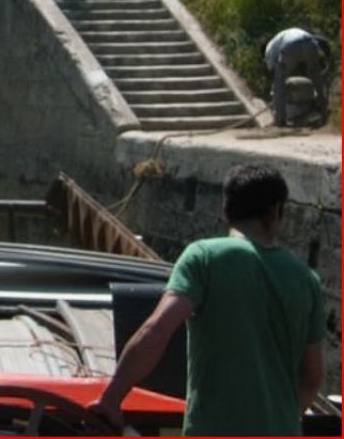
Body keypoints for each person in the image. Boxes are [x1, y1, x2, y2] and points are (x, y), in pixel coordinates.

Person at [90, 163, 325, 436]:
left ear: (226, 210)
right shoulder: (307, 280)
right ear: (275, 211)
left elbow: (156, 331)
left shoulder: (204, 258)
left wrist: (111, 398)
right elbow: (312, 378)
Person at [264, 27, 332, 127]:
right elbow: (319, 41)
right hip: (310, 43)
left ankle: (280, 120)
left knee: (279, 82)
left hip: (290, 46)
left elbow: (272, 70)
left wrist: (274, 86)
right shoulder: (283, 36)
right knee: (316, 78)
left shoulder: (269, 48)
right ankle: (324, 112)